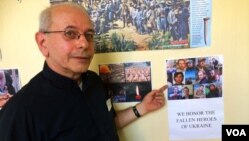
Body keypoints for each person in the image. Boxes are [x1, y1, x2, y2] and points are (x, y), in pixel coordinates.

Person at [0, 2, 167, 141]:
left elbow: (105, 125)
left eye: (89, 35)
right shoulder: (19, 113)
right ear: (43, 42)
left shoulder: (93, 81)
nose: (84, 44)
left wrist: (143, 108)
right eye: (70, 33)